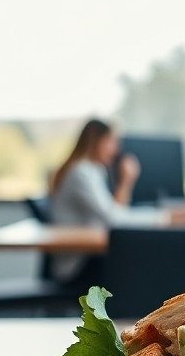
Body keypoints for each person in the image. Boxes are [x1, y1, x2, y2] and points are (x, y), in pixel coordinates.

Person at [48, 118, 140, 285]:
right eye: (112, 141)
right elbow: (114, 218)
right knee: (138, 264)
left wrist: (126, 180)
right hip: (77, 266)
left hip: (90, 258)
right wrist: (126, 181)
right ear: (98, 141)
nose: (117, 149)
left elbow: (115, 211)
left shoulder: (94, 170)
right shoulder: (80, 172)